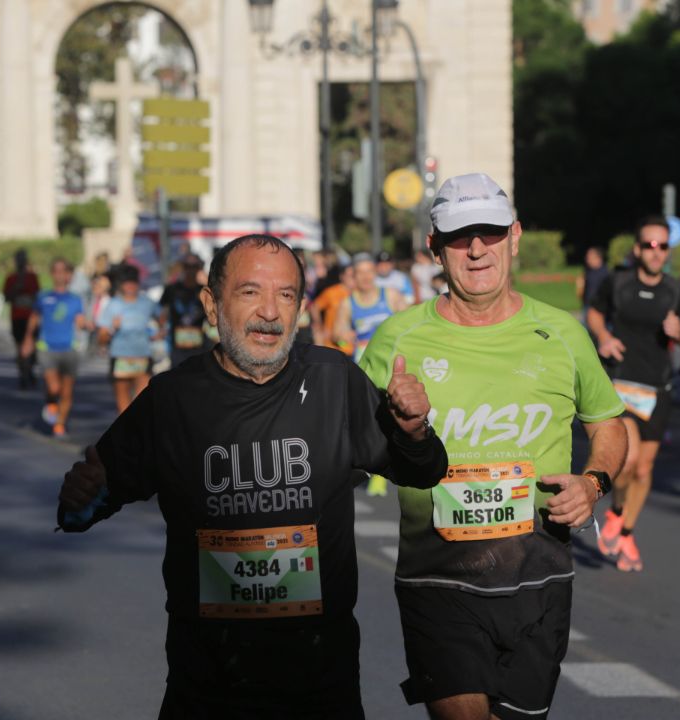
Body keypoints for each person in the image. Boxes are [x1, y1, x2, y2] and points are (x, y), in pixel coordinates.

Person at [58, 234, 448, 719]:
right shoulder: (173, 399)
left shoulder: (333, 380)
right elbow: (86, 505)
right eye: (249, 292)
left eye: (285, 295)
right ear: (211, 304)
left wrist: (414, 430)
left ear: (301, 307)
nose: (269, 311)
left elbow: (424, 470)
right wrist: (82, 496)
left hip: (320, 684)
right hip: (207, 685)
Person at [361, 173, 627, 720]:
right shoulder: (399, 339)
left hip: (540, 575)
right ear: (435, 248)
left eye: (490, 231)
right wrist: (401, 426)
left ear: (515, 235)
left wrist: (593, 482)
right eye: (460, 235)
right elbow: (355, 448)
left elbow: (607, 425)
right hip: (439, 581)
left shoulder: (561, 334)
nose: (477, 248)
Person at [588, 215, 680, 570]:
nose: (656, 252)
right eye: (649, 245)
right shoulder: (618, 283)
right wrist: (603, 338)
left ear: (668, 251)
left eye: (662, 246)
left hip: (658, 387)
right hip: (621, 383)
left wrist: (678, 331)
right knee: (628, 460)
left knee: (645, 470)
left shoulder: (677, 290)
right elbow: (595, 314)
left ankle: (626, 529)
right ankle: (618, 511)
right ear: (637, 249)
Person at [21, 259, 85, 437]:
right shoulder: (43, 296)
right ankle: (51, 401)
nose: (59, 275)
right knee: (54, 388)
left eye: (63, 271)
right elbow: (34, 317)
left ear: (68, 275)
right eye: (56, 271)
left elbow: (80, 319)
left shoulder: (74, 299)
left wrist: (85, 324)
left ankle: (59, 423)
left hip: (69, 348)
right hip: (47, 347)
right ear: (52, 274)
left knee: (66, 391)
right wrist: (28, 339)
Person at [97, 264, 162, 414]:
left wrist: (160, 331)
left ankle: (138, 434)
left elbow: (163, 318)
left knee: (143, 402)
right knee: (124, 405)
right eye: (127, 282)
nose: (131, 286)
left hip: (142, 356)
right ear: (121, 284)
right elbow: (101, 339)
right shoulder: (113, 305)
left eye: (134, 282)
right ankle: (127, 434)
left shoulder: (146, 302)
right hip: (120, 357)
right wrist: (112, 328)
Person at [334, 253, 406, 363]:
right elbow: (337, 335)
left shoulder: (391, 295)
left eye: (369, 271)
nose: (366, 277)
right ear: (353, 276)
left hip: (390, 361)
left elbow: (410, 324)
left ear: (375, 273)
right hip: (363, 363)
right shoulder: (347, 303)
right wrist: (344, 338)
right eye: (360, 273)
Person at [159, 253, 208, 369]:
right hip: (177, 346)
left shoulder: (205, 291)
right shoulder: (171, 289)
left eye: (194, 266)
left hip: (200, 346)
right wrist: (161, 325)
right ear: (183, 268)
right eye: (187, 266)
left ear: (199, 268)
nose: (190, 270)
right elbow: (160, 312)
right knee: (178, 381)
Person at [2, 249, 41, 389]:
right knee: (19, 346)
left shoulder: (32, 277)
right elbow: (6, 297)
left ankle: (29, 367)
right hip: (17, 316)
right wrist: (16, 290)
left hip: (30, 317)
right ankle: (23, 373)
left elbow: (37, 296)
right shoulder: (11, 278)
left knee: (32, 345)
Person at [310, 263, 354, 352]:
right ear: (342, 277)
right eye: (350, 276)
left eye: (355, 275)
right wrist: (319, 326)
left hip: (353, 345)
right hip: (332, 345)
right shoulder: (331, 292)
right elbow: (314, 307)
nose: (354, 279)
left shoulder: (360, 295)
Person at [576, 246, 609, 326]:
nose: (587, 260)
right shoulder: (588, 271)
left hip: (599, 308)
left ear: (598, 258)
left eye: (589, 257)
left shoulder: (605, 273)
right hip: (587, 305)